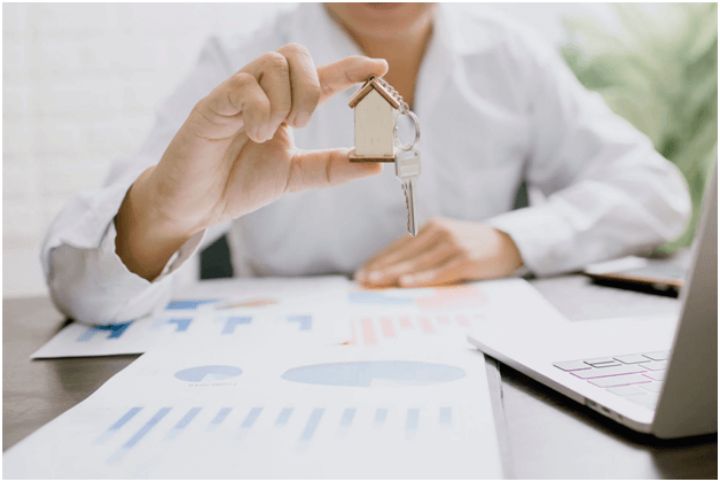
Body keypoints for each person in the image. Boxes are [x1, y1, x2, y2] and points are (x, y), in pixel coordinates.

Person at [42, 3, 690, 324]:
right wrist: (167, 211)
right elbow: (83, 288)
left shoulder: (513, 56)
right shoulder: (237, 60)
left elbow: (657, 191)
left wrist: (512, 238)